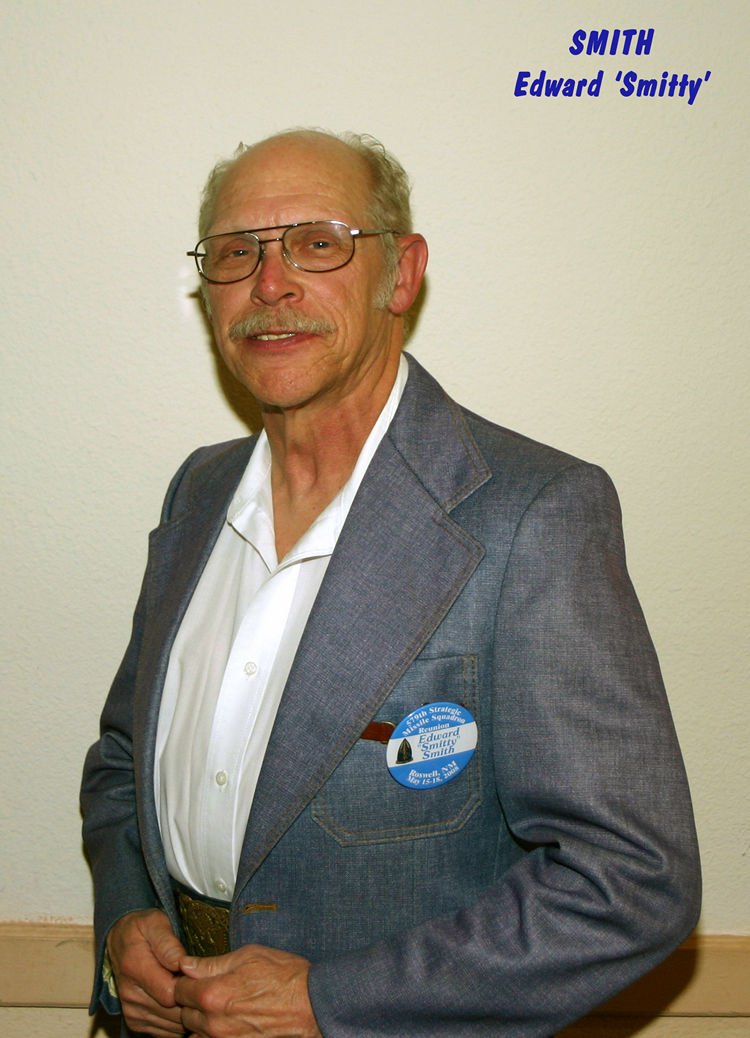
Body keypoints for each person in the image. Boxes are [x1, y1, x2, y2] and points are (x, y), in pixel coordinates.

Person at [81, 128, 701, 1038]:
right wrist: (128, 921)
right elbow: (122, 759)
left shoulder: (533, 514)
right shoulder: (197, 492)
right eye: (236, 252)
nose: (270, 284)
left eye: (317, 243)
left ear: (401, 275)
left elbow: (630, 883)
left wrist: (330, 1004)